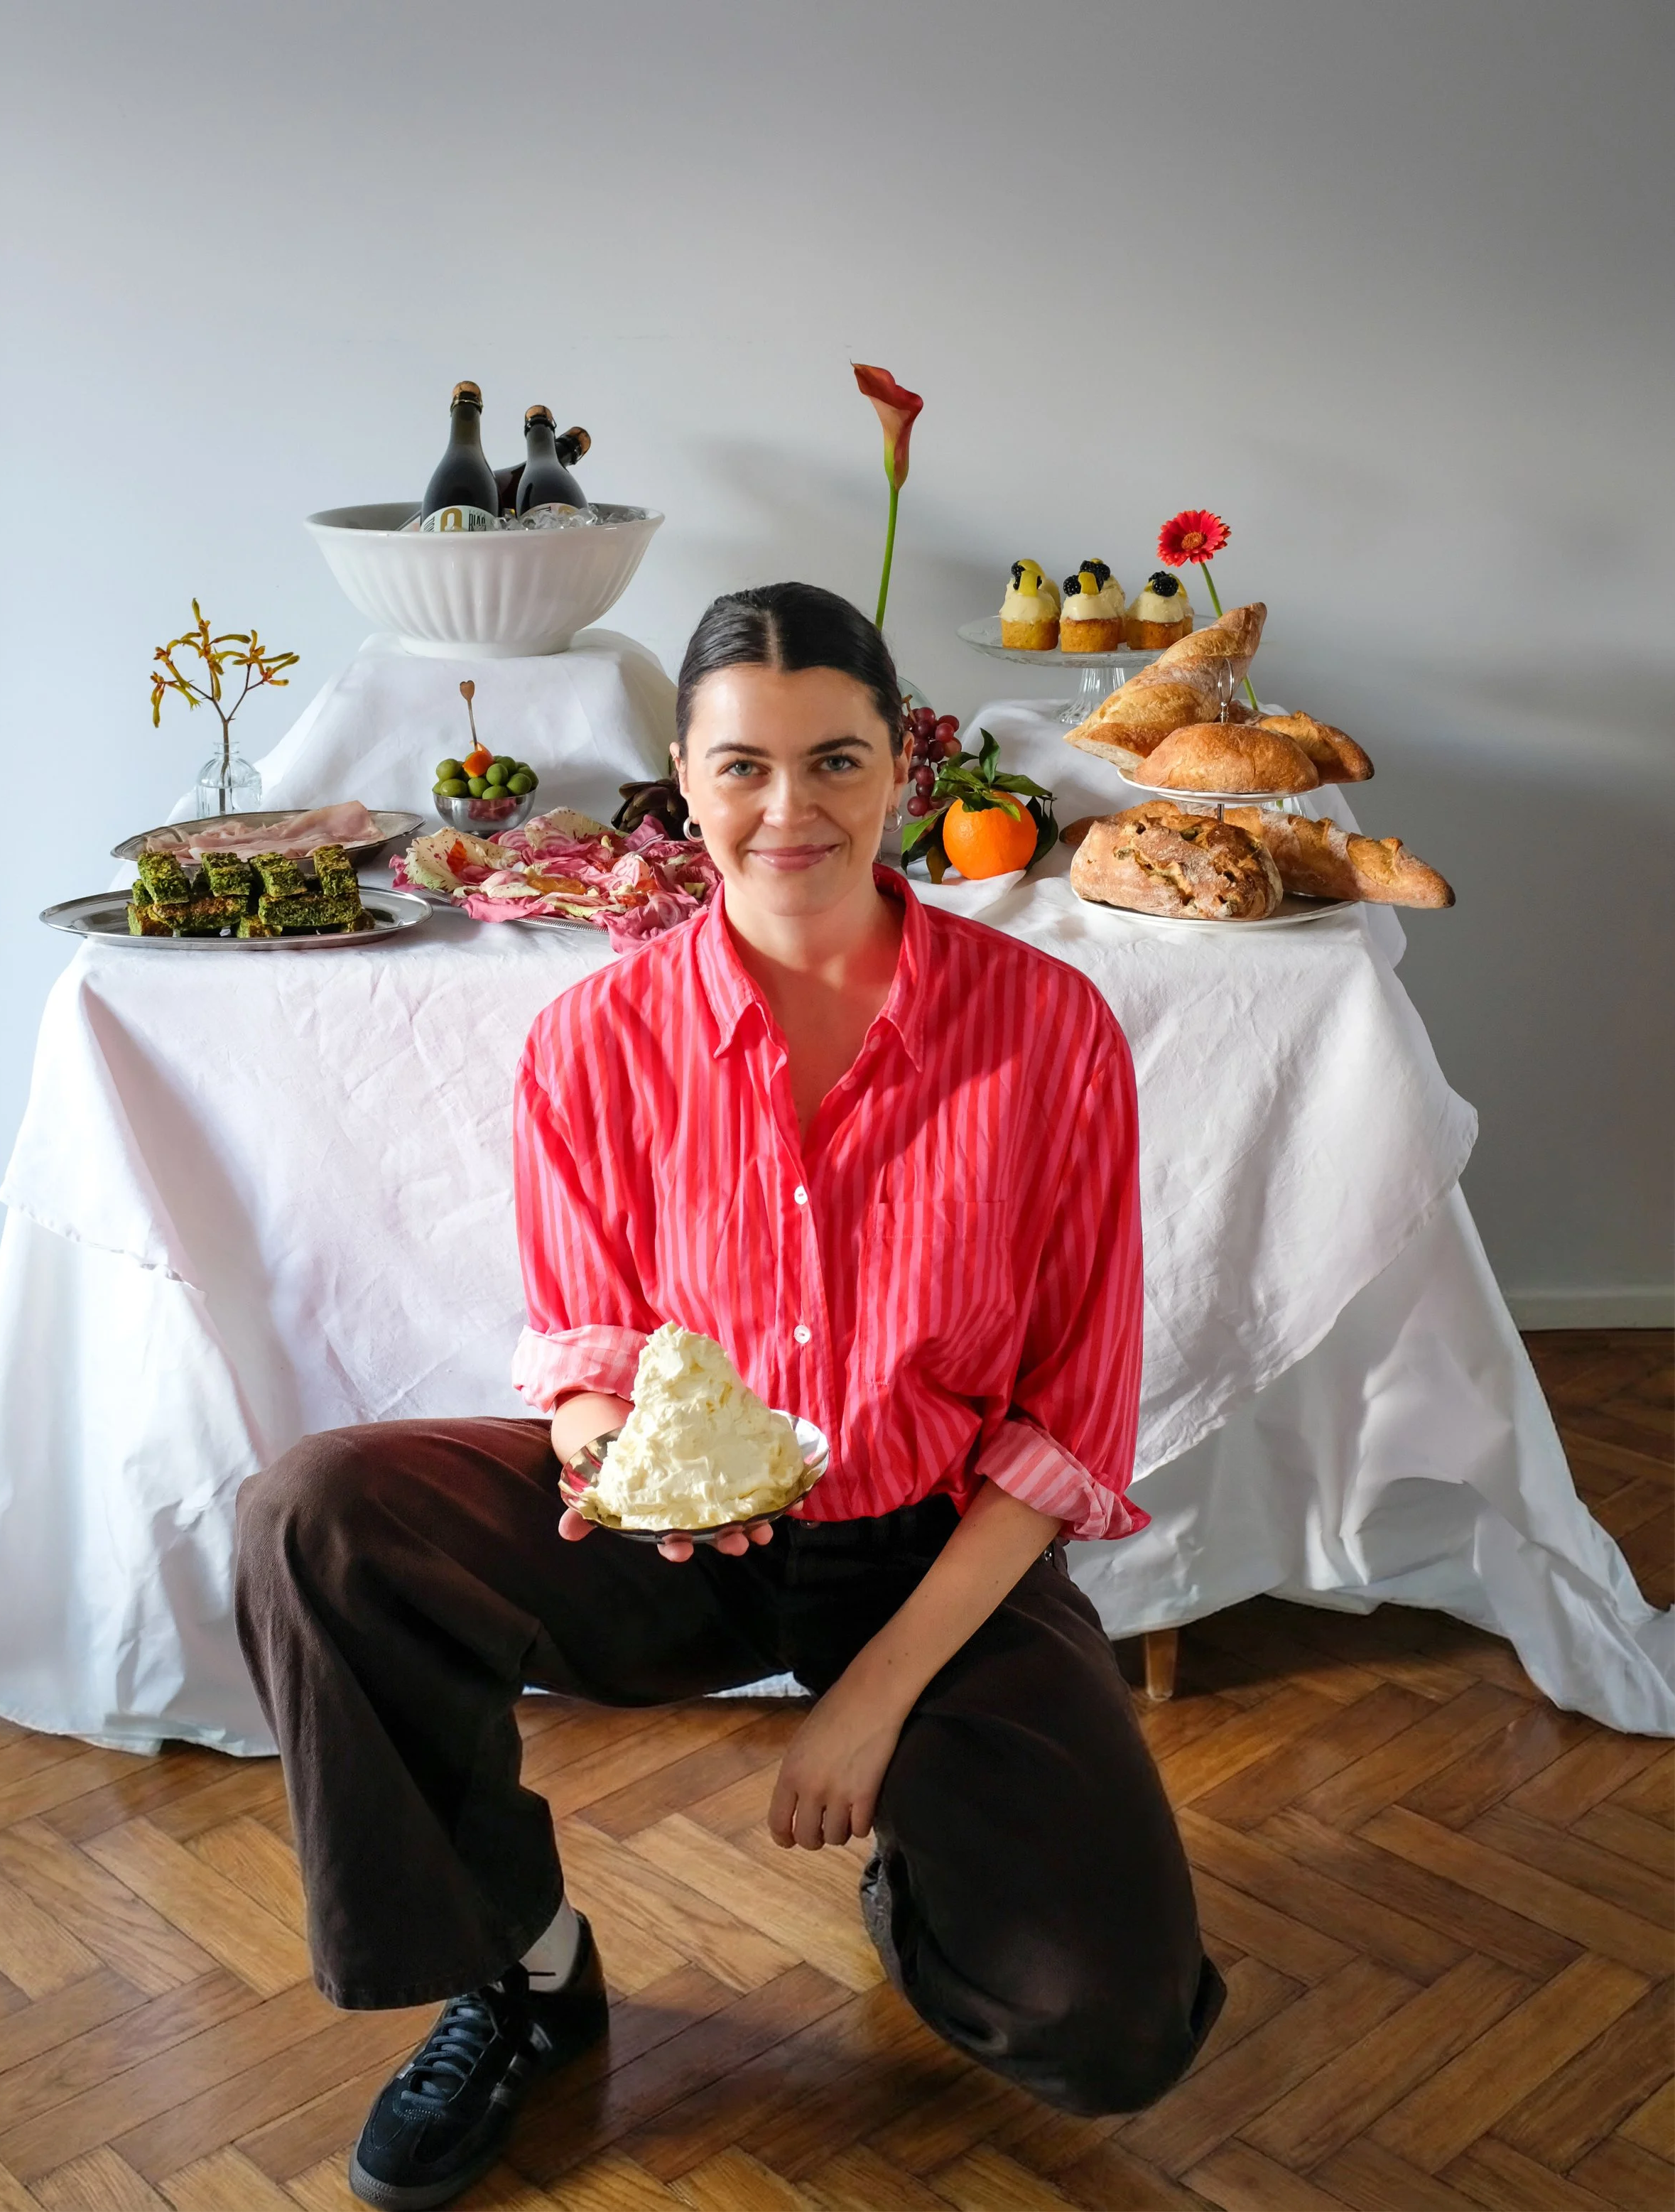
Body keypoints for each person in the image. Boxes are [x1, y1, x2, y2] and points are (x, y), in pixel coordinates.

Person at [234, 581, 1225, 2212]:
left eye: (833, 760)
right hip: (676, 1539)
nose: (790, 809)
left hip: (933, 1550)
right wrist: (607, 1455)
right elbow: (587, 1350)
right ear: (683, 783)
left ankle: (923, 1885)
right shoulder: (592, 1039)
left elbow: (1063, 1437)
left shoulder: (1049, 1033)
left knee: (1107, 2031)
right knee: (318, 1518)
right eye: (742, 767)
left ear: (899, 766)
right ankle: (522, 1972)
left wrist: (870, 1703)